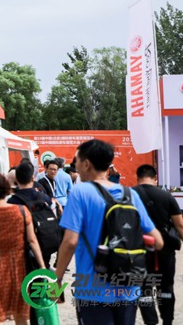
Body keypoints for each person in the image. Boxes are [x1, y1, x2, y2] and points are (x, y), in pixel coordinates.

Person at [55, 139, 164, 325]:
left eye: (77, 162)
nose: (76, 168)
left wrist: (57, 280)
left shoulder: (80, 192)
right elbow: (158, 241)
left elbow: (70, 242)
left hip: (93, 290)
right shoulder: (130, 194)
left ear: (86, 163)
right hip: (128, 288)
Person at [0, 173, 45, 324]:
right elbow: (32, 240)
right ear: (7, 189)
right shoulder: (21, 211)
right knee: (20, 312)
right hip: (19, 265)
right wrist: (42, 265)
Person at [133, 164, 183, 325]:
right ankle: (167, 320)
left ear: (137, 177)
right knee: (166, 286)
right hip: (165, 248)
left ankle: (151, 321)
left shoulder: (130, 195)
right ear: (155, 178)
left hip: (138, 249)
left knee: (144, 287)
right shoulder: (166, 196)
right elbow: (179, 225)